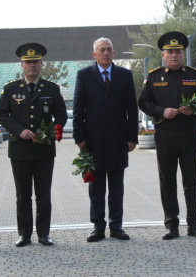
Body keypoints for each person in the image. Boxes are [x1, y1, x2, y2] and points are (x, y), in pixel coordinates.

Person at [138, 31, 196, 240]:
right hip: (165, 135)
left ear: (183, 53)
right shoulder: (154, 76)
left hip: (189, 133)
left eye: (178, 51)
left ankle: (193, 224)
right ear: (163, 55)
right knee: (167, 180)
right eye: (170, 52)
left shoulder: (194, 75)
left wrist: (195, 110)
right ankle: (171, 224)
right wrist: (162, 111)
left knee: (192, 180)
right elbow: (143, 102)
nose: (174, 55)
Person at [0, 43, 67, 247]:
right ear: (22, 65)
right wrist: (19, 130)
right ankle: (24, 234)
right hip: (20, 151)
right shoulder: (10, 89)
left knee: (43, 195)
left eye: (35, 61)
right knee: (23, 195)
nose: (32, 65)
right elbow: (0, 114)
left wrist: (48, 132)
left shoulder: (52, 89)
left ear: (41, 64)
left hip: (44, 150)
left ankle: (44, 234)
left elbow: (61, 116)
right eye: (28, 62)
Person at [73, 37, 138, 242]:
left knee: (117, 187)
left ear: (114, 53)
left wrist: (132, 137)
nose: (106, 53)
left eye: (109, 49)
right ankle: (98, 226)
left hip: (118, 140)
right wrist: (80, 138)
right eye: (102, 50)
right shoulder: (84, 75)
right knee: (97, 187)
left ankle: (116, 226)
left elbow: (132, 109)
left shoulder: (125, 75)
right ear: (95, 54)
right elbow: (77, 109)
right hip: (92, 141)